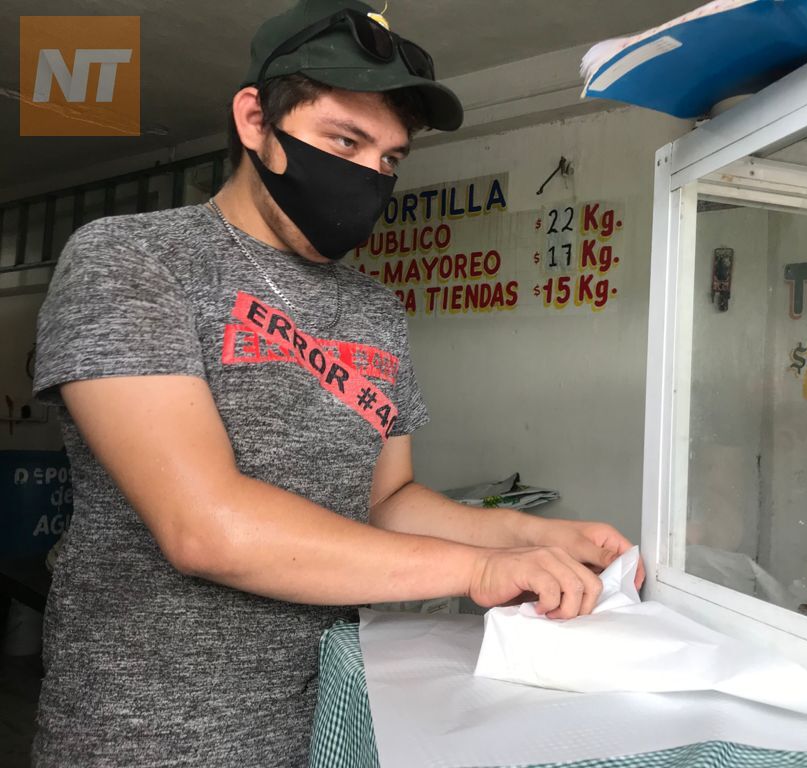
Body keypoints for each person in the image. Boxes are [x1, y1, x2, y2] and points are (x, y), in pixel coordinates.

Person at [30, 1, 642, 765]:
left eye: (389, 159)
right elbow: (205, 527)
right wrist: (482, 569)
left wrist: (538, 537)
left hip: (343, 719)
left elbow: (387, 500)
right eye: (344, 141)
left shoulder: (375, 310)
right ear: (255, 120)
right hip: (155, 737)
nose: (367, 176)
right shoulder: (133, 260)